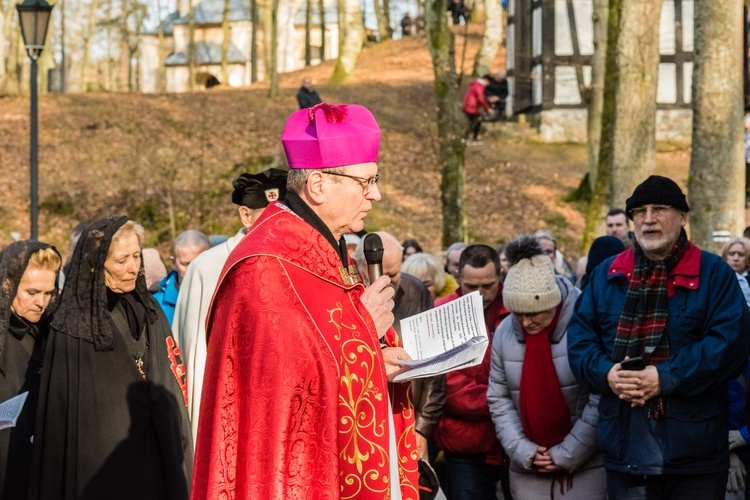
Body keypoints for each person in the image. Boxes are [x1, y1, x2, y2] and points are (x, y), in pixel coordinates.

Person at [192, 103, 419, 498]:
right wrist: (364, 324)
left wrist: (376, 358)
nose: (376, 194)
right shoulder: (264, 266)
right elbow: (283, 399)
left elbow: (319, 360)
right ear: (318, 185)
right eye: (365, 182)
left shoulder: (326, 250)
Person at [568, 175, 750, 500]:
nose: (648, 219)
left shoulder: (714, 273)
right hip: (625, 447)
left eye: (659, 209)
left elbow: (729, 346)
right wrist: (607, 374)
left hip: (696, 453)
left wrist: (664, 377)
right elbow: (580, 343)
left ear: (683, 217)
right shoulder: (606, 275)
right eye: (639, 211)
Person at [29, 216, 193, 499]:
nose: (133, 268)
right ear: (95, 264)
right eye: (121, 261)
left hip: (155, 458)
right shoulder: (73, 327)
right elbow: (62, 426)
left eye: (136, 256)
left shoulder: (149, 309)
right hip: (101, 473)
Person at [172, 167, 288, 442]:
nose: (279, 226)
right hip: (224, 407)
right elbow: (192, 351)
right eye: (270, 217)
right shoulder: (208, 267)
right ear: (246, 215)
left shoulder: (295, 263)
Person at [487, 236, 606, 499]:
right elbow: (499, 397)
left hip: (585, 469)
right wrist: (523, 450)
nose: (526, 323)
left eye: (535, 313)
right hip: (528, 469)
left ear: (553, 303)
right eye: (518, 313)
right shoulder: (506, 332)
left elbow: (600, 397)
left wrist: (566, 453)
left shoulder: (585, 322)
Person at [354, 232, 445, 464]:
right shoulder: (349, 294)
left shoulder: (416, 291)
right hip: (366, 421)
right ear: (364, 268)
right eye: (385, 274)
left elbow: (435, 365)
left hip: (410, 417)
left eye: (396, 272)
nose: (392, 280)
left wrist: (423, 427)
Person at [434, 244, 511, 500]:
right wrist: (503, 403)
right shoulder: (440, 312)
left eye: (488, 286)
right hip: (465, 445)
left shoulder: (517, 309)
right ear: (457, 277)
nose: (480, 294)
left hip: (514, 442)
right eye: (471, 287)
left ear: (500, 276)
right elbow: (447, 382)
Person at [0, 241, 61, 499]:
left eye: (48, 293)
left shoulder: (48, 331)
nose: (41, 303)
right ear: (7, 285)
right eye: (32, 292)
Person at [152, 229, 209, 325]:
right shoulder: (157, 304)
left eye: (199, 263)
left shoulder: (223, 296)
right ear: (173, 263)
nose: (192, 270)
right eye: (185, 264)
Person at [462, 75, 492, 146]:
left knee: (476, 122)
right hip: (471, 107)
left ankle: (473, 138)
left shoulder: (475, 84)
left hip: (469, 106)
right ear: (485, 80)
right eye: (487, 83)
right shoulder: (479, 86)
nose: (487, 85)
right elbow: (480, 99)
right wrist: (488, 108)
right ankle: (467, 138)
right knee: (474, 123)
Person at [722, 237, 750, 308]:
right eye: (732, 254)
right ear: (725, 256)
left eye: (741, 254)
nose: (736, 258)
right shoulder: (719, 279)